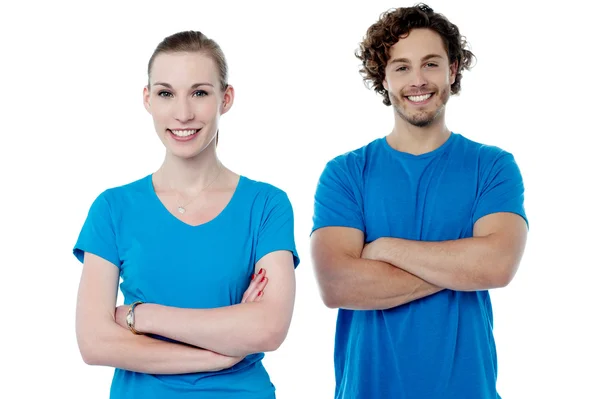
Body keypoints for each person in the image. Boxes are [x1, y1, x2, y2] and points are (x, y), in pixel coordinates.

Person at [310, 3, 528, 398]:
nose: (418, 80)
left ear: (453, 70)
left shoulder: (492, 166)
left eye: (430, 64)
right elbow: (337, 284)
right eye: (401, 67)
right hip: (368, 389)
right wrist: (460, 269)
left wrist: (384, 249)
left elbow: (496, 265)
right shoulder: (345, 173)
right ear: (384, 77)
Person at [73, 30, 300, 399]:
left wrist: (140, 316)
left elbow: (269, 328)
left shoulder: (266, 204)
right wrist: (216, 357)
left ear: (225, 99)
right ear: (148, 99)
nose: (182, 113)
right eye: (166, 93)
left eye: (199, 93)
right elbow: (94, 342)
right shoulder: (113, 208)